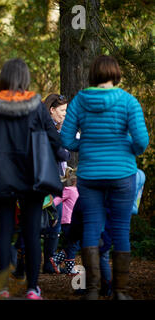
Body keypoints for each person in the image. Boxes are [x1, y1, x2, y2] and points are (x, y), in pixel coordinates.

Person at [0, 58, 64, 300]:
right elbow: (53, 138)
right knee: (32, 233)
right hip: (33, 177)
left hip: (1, 176)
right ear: (25, 78)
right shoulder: (36, 106)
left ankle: (2, 289)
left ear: (3, 78)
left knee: (3, 233)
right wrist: (61, 154)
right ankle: (33, 289)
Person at [61, 55, 149, 300]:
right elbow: (142, 141)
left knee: (91, 227)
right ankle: (120, 292)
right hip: (122, 174)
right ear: (117, 75)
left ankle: (91, 290)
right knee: (121, 230)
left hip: (90, 176)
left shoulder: (79, 101)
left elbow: (67, 140)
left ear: (93, 75)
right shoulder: (128, 101)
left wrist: (89, 145)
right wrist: (124, 146)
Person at [40, 94, 71, 273]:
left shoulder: (57, 128)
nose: (65, 114)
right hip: (47, 182)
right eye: (62, 111)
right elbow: (62, 154)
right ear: (51, 110)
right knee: (49, 222)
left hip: (55, 181)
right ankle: (25, 262)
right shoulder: (47, 128)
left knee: (54, 223)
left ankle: (48, 263)